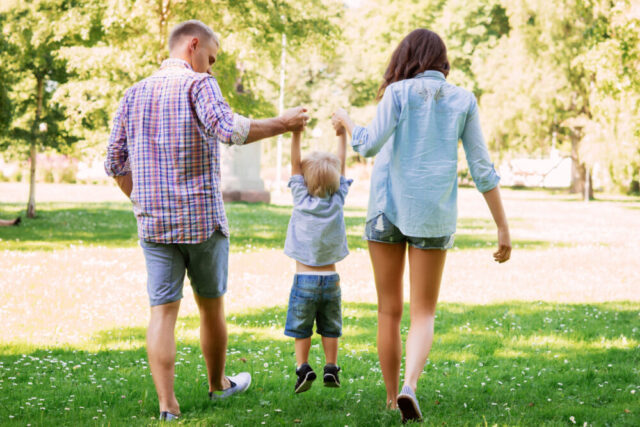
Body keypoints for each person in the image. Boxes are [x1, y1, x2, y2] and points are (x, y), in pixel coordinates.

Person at [104, 20, 309, 421]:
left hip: (154, 226)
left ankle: (168, 406)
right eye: (211, 58)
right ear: (193, 45)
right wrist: (283, 124)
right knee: (210, 308)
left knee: (162, 312)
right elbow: (228, 129)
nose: (212, 68)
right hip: (201, 222)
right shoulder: (199, 85)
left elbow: (114, 162)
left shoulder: (132, 95)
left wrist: (145, 199)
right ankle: (218, 387)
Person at [332, 28, 511, 423]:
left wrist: (346, 122)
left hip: (386, 209)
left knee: (388, 311)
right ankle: (410, 385)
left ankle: (391, 397)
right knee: (424, 312)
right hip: (434, 215)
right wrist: (502, 227)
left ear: (406, 58)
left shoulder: (397, 93)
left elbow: (368, 145)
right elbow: (482, 168)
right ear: (442, 62)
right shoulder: (464, 100)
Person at [283, 124, 352, 393]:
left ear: (304, 178)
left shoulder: (300, 197)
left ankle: (303, 368)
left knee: (302, 329)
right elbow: (342, 165)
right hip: (331, 281)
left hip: (304, 281)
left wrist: (296, 134)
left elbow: (293, 164)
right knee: (330, 327)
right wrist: (341, 136)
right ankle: (331, 367)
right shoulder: (337, 200)